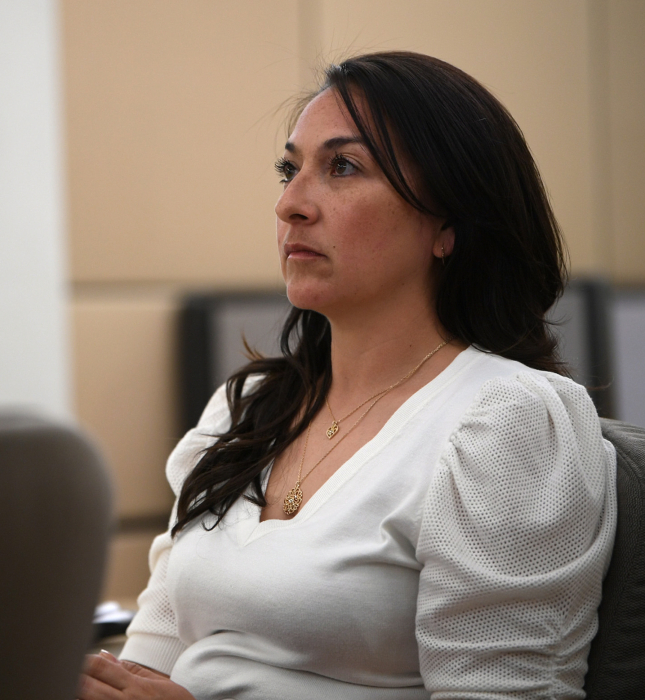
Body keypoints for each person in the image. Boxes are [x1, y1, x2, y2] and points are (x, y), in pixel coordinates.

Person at [78, 51, 617, 699]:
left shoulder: (506, 419)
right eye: (288, 169)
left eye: (342, 167)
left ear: (448, 222)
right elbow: (156, 651)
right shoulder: (249, 407)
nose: (290, 205)